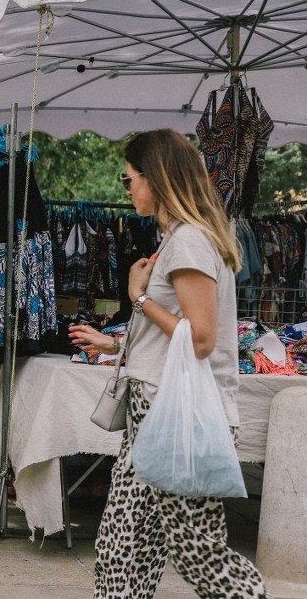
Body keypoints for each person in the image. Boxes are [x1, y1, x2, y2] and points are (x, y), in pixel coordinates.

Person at [68, 129, 268, 599]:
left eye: (130, 178)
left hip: (178, 416)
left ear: (156, 180)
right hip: (155, 411)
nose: (127, 189)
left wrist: (137, 299)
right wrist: (118, 344)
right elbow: (175, 335)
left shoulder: (188, 243)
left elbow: (199, 339)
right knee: (123, 545)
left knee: (199, 552)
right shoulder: (181, 239)